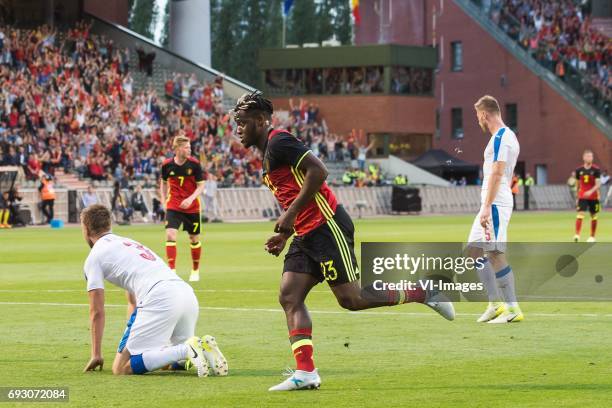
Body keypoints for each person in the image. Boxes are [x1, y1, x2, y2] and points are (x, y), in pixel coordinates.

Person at [232, 91, 454, 392]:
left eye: (243, 122)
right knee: (289, 295)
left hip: (327, 225)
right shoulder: (268, 152)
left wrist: (290, 216)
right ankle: (306, 372)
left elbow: (319, 171)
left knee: (351, 299)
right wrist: (284, 234)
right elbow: (293, 191)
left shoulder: (279, 141)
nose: (238, 129)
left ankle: (423, 291)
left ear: (260, 121)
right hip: (304, 233)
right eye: (236, 123)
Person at [79, 204, 227, 377]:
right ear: (109, 225)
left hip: (160, 297)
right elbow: (133, 301)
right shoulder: (129, 243)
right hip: (185, 293)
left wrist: (96, 354)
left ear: (86, 229)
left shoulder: (94, 257)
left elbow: (97, 311)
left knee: (121, 368)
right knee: (165, 361)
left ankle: (187, 349)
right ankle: (203, 348)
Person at [466, 95, 523, 324]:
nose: (477, 120)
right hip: (492, 202)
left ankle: (512, 309)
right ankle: (495, 304)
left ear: (484, 114)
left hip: (495, 203)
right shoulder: (503, 137)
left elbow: (498, 173)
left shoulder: (502, 137)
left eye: (477, 116)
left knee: (495, 253)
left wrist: (488, 206)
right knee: (473, 252)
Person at [160, 135, 205, 282]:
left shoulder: (194, 164)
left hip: (192, 208)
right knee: (170, 235)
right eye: (186, 147)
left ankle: (195, 270)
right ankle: (171, 270)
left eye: (190, 147)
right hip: (174, 205)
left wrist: (190, 198)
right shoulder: (167, 165)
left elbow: (201, 186)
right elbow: (163, 183)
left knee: (193, 239)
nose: (189, 150)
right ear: (178, 148)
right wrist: (163, 200)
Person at [573, 149, 601, 242]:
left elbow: (598, 184)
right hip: (582, 196)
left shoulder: (596, 170)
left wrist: (591, 191)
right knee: (580, 214)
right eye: (588, 156)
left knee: (593, 215)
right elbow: (577, 184)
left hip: (593, 196)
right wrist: (577, 196)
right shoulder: (578, 170)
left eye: (591, 156)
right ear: (584, 158)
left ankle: (592, 236)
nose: (590, 158)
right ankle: (577, 235)